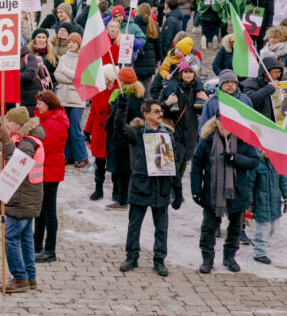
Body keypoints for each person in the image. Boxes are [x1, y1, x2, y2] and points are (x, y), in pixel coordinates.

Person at [115, 98, 181, 277]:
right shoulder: (136, 132)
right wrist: (122, 108)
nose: (160, 114)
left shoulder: (166, 134)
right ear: (146, 115)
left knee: (162, 227)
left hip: (161, 187)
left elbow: (173, 163)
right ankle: (131, 256)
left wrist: (178, 190)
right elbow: (120, 127)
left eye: (161, 111)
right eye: (156, 111)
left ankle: (159, 260)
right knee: (134, 225)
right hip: (141, 185)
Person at [191, 115, 258, 274]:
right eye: (221, 123)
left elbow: (254, 162)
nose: (225, 127)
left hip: (237, 191)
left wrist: (236, 158)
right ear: (216, 123)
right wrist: (196, 190)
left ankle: (229, 257)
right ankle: (207, 258)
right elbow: (196, 164)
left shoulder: (243, 140)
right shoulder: (207, 140)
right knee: (208, 227)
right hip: (212, 192)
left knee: (235, 228)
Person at [0, 106, 45, 293]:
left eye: (9, 121)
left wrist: (7, 142)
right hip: (27, 196)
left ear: (18, 123)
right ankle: (30, 277)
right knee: (26, 238)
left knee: (11, 238)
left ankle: (20, 278)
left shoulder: (27, 143)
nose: (7, 124)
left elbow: (16, 166)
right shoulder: (28, 140)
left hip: (22, 197)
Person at [32, 91, 69, 263]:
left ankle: (50, 249)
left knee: (48, 212)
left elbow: (43, 147)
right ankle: (37, 244)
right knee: (40, 211)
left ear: (49, 103)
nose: (37, 106)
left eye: (40, 103)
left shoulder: (54, 122)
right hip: (44, 170)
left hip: (50, 172)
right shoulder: (46, 120)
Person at [104, 67, 145, 210]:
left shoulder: (122, 97)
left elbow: (113, 119)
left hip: (120, 138)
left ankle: (122, 200)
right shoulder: (140, 96)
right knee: (129, 170)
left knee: (120, 171)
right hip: (134, 137)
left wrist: (106, 127)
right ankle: (125, 197)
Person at [53, 31, 88, 168]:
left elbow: (81, 77)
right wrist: (72, 78)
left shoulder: (83, 59)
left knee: (75, 128)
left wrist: (66, 71)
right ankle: (68, 155)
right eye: (69, 42)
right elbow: (57, 75)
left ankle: (82, 156)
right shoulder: (63, 58)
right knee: (64, 128)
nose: (71, 44)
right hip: (62, 97)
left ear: (78, 44)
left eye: (73, 42)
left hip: (77, 99)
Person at [85, 64, 118, 200]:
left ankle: (118, 191)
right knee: (99, 164)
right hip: (99, 132)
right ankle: (98, 189)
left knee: (116, 164)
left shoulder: (119, 92)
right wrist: (87, 131)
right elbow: (92, 113)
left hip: (113, 133)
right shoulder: (98, 92)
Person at [246, 155, 287, 265]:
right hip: (261, 201)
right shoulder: (257, 164)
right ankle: (260, 253)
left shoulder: (279, 164)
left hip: (274, 201)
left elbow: (283, 182)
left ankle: (256, 241)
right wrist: (250, 202)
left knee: (272, 226)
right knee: (263, 227)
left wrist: (286, 196)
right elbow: (249, 184)